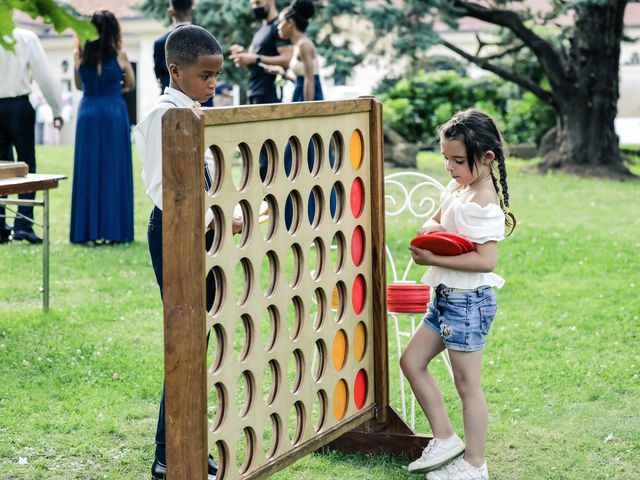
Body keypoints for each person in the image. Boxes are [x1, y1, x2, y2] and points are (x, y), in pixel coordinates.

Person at [134, 24, 241, 480]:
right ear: (176, 71)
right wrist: (213, 219)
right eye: (206, 75)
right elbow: (167, 189)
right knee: (187, 341)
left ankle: (189, 444)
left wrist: (225, 213)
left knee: (201, 340)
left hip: (202, 230)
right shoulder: (164, 115)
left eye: (216, 76)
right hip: (176, 233)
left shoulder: (193, 109)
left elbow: (208, 179)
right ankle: (167, 455)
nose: (213, 84)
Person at [401, 109, 516, 480]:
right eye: (445, 158)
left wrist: (431, 254)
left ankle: (475, 465)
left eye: (458, 161)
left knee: (468, 386)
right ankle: (446, 438)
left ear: (487, 158)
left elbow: (486, 260)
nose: (449, 167)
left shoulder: (483, 204)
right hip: (446, 297)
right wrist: (431, 231)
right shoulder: (459, 187)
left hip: (468, 303)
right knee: (411, 362)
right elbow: (436, 217)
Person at [69, 10, 135, 245]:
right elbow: (130, 84)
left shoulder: (80, 56)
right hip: (114, 111)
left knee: (88, 169)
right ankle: (115, 232)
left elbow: (78, 85)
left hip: (88, 112)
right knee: (114, 168)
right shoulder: (120, 56)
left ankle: (86, 233)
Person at [0, 27, 64, 244]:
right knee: (26, 167)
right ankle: (23, 225)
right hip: (18, 105)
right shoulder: (25, 37)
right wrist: (56, 109)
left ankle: (0, 225)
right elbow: (43, 76)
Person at [229, 0, 292, 105]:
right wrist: (242, 56)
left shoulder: (280, 27)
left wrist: (256, 58)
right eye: (252, 4)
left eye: (257, 3)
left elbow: (288, 59)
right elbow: (253, 60)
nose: (254, 7)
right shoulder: (260, 29)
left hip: (270, 94)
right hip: (254, 91)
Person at [275, 0, 323, 102]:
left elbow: (310, 80)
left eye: (280, 22)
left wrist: (306, 110)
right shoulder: (298, 45)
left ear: (290, 23)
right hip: (300, 95)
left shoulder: (304, 45)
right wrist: (284, 75)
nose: (278, 27)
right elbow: (301, 80)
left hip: (308, 100)